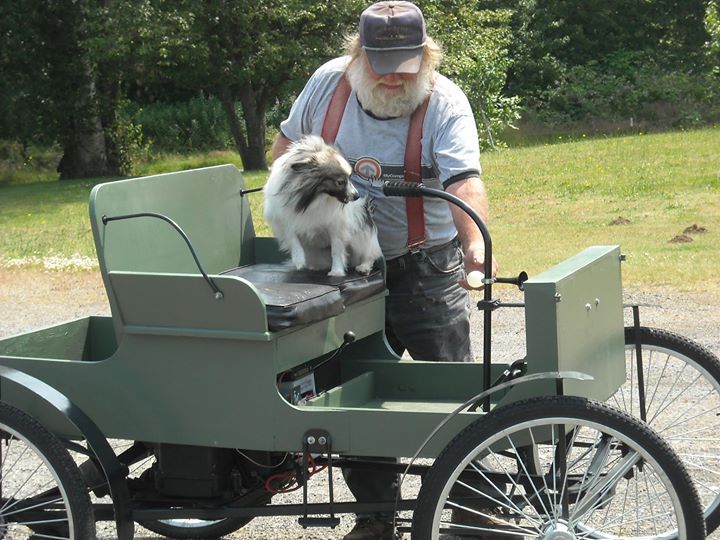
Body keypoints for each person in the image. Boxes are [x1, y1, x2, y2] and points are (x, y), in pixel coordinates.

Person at [272, 2, 498, 538]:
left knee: (452, 389)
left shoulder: (445, 102)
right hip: (348, 274)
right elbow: (284, 152)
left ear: (426, 56)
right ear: (358, 55)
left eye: (408, 63)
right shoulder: (327, 84)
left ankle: (474, 514)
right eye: (383, 64)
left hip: (424, 264)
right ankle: (375, 519)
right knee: (354, 390)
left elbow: (465, 180)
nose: (396, 77)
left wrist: (476, 245)